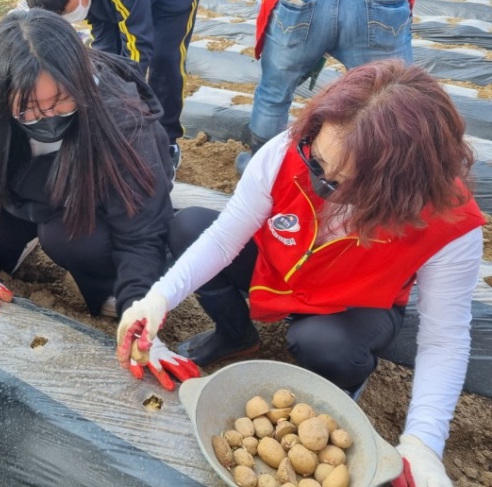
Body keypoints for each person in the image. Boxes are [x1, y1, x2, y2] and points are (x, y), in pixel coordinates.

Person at [117, 60, 484, 487]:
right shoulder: (291, 151)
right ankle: (235, 336)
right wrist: (157, 299)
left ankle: (338, 388)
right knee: (189, 225)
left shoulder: (449, 221)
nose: (323, 185)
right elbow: (222, 240)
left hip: (354, 303)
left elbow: (445, 338)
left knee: (325, 345)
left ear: (400, 189)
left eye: (347, 185)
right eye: (319, 164)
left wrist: (424, 442)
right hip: (282, 270)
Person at [0, 9, 199, 390]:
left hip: (91, 200)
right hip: (22, 188)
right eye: (28, 108)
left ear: (82, 82)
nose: (47, 116)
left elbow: (141, 227)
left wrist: (138, 311)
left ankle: (105, 287)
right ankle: (16, 242)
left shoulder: (119, 115)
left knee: (72, 238)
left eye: (61, 100)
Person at [236, 0, 414, 173]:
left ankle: (260, 170)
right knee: (391, 95)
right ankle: (389, 180)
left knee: (275, 90)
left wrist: (273, 10)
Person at [21, 0, 207, 171]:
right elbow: (104, 40)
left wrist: (121, 107)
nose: (68, 17)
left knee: (166, 55)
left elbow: (137, 46)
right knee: (106, 55)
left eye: (66, 9)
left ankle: (167, 140)